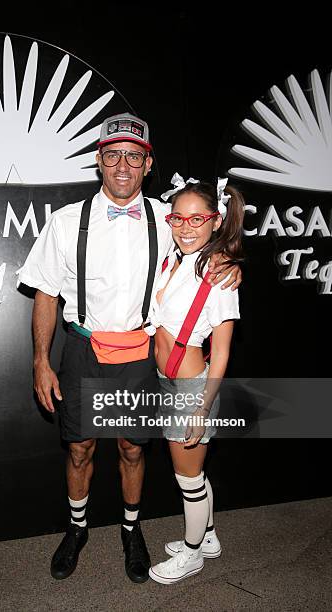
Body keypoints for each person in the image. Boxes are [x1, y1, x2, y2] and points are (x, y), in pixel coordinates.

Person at [18, 113, 241, 583]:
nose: (123, 165)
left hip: (140, 353)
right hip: (81, 349)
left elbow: (210, 235)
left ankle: (131, 529)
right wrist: (41, 360)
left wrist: (228, 262)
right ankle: (77, 529)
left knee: (132, 450)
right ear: (99, 161)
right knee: (79, 449)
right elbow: (44, 292)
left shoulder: (170, 216)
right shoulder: (65, 222)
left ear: (147, 164)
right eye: (114, 155)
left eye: (134, 156)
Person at [147, 175, 244, 584]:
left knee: (187, 477)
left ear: (216, 221)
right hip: (166, 380)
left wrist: (203, 407)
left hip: (191, 389)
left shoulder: (219, 274)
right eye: (178, 219)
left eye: (197, 219)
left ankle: (191, 555)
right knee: (195, 473)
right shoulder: (175, 257)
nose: (186, 227)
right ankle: (207, 537)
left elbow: (221, 352)